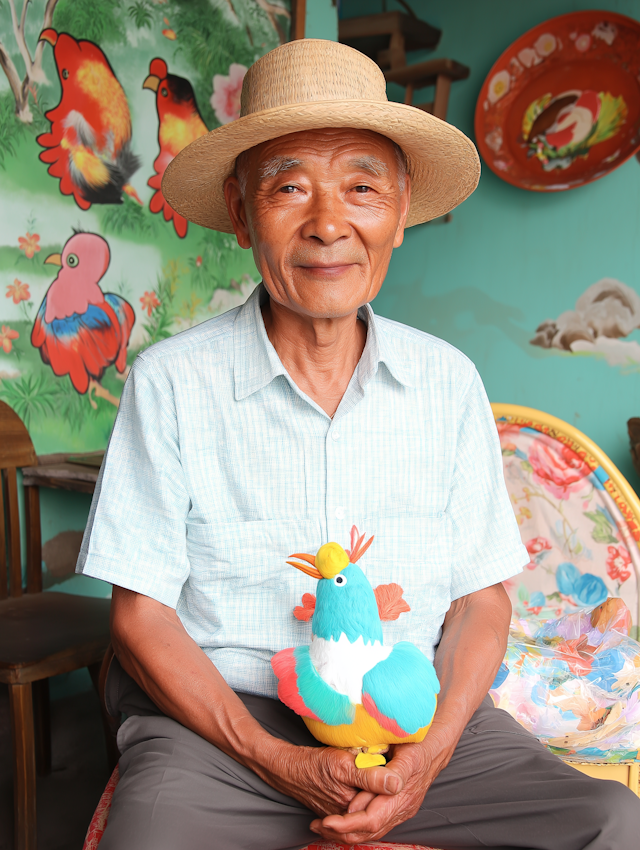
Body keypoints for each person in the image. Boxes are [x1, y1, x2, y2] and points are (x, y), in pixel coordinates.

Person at [78, 39, 640, 850]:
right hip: (225, 732)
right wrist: (273, 757)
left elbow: (482, 600)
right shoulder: (171, 383)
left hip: (410, 723)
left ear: (401, 212)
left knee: (613, 823)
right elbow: (139, 614)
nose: (329, 224)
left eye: (363, 188)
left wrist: (430, 755)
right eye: (289, 188)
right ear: (241, 211)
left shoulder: (447, 382)